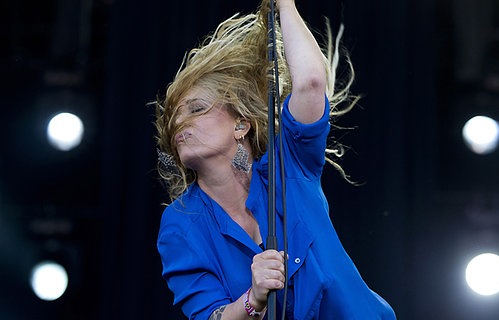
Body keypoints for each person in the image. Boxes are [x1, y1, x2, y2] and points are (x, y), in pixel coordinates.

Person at [154, 0, 396, 319]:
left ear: (241, 124)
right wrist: (253, 298)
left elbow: (310, 84)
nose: (179, 124)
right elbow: (209, 315)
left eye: (196, 109)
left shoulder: (290, 164)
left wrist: (285, 6)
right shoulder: (181, 222)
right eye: (175, 117)